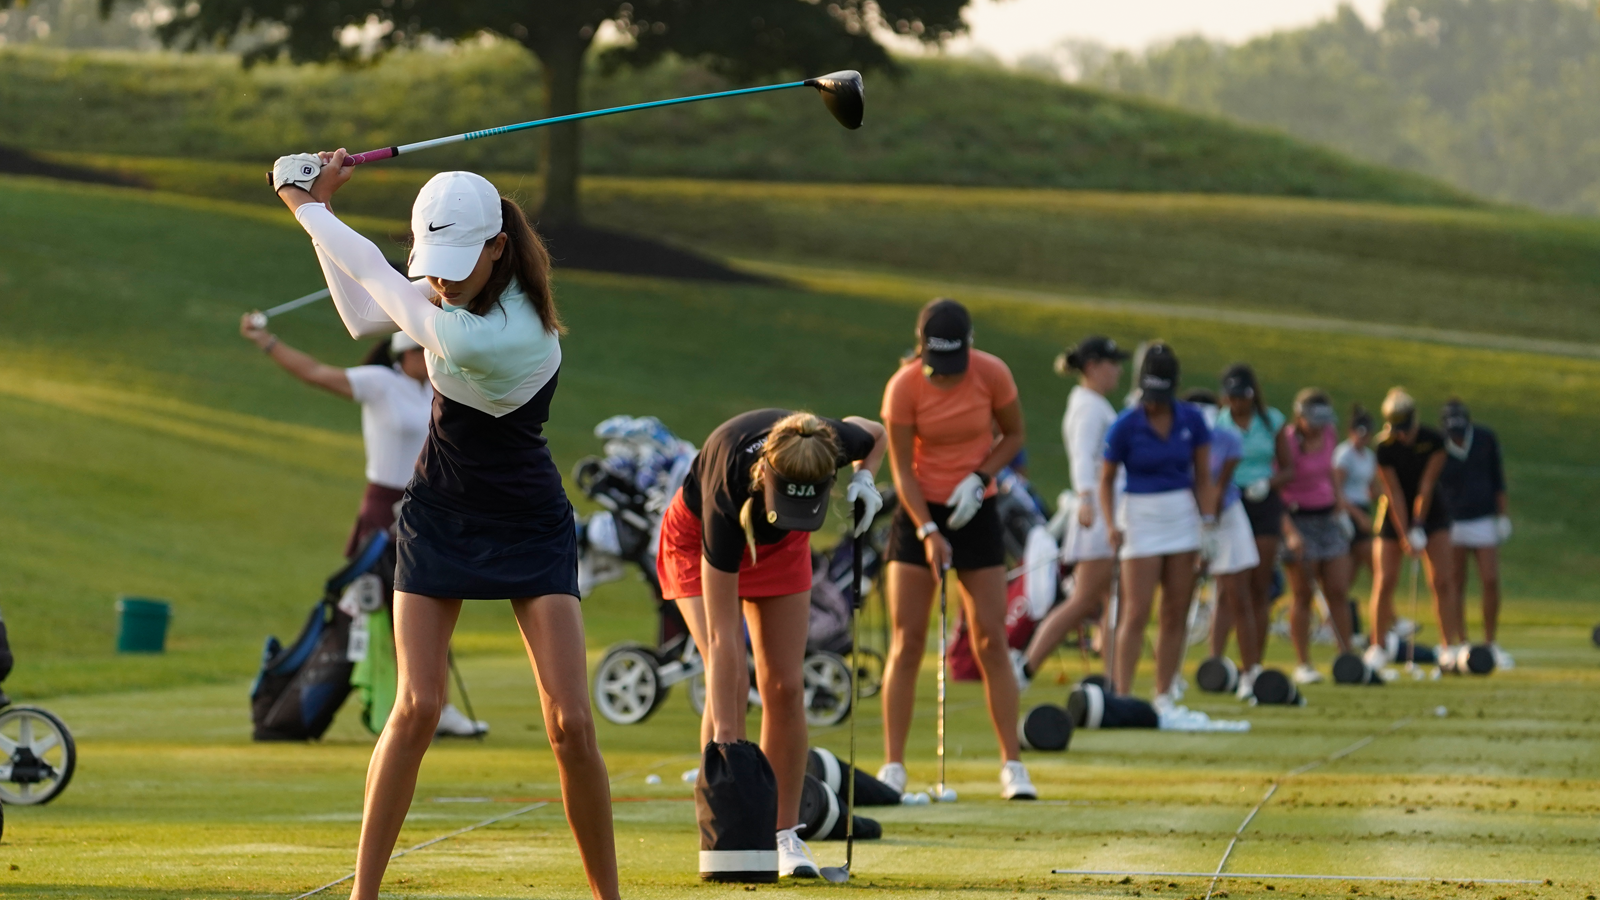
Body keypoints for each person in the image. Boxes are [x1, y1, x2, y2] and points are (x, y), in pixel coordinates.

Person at [270, 151, 618, 900]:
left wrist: (306, 205)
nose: (444, 280)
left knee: (571, 723)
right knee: (418, 705)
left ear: (497, 247)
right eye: (435, 265)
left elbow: (375, 277)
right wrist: (319, 213)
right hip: (440, 512)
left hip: (529, 519)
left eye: (458, 265)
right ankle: (363, 895)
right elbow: (364, 310)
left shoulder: (505, 332)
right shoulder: (448, 292)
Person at [657, 409, 884, 877]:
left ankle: (784, 834)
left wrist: (866, 479)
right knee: (730, 676)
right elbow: (723, 637)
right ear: (765, 476)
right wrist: (731, 759)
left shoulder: (828, 443)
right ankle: (727, 819)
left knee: (784, 685)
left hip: (783, 546)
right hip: (699, 538)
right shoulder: (727, 486)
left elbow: (876, 434)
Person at [878, 298, 1035, 801]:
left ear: (969, 345)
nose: (945, 374)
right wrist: (927, 530)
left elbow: (1014, 433)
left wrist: (981, 475)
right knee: (907, 641)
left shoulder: (992, 374)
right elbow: (901, 469)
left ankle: (1013, 765)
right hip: (918, 509)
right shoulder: (903, 386)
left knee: (991, 638)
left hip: (976, 508)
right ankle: (893, 767)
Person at [237, 321, 431, 555]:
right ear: (409, 352)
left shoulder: (436, 388)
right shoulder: (380, 381)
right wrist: (265, 341)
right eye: (427, 351)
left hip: (426, 506)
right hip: (385, 505)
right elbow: (314, 372)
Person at [1100, 343, 1215, 709]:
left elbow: (1203, 477)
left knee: (1176, 609)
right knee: (1136, 610)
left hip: (1181, 515)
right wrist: (1110, 523)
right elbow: (1106, 480)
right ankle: (1122, 693)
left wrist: (1208, 525)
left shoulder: (1192, 420)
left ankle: (1164, 693)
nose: (1153, 404)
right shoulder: (1126, 424)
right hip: (1140, 516)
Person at [1012, 336, 1130, 688]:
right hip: (1097, 514)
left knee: (1110, 601)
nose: (1118, 371)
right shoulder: (1089, 407)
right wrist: (1086, 498)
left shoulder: (1094, 403)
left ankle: (1114, 681)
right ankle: (1026, 668)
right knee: (1084, 599)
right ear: (1092, 366)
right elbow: (1082, 456)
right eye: (1112, 363)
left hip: (1104, 510)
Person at [1366, 387, 1457, 671]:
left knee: (1441, 580)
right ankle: (1378, 646)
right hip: (1393, 513)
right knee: (1385, 580)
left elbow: (1426, 487)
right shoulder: (1383, 447)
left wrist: (1418, 525)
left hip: (1432, 512)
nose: (1402, 436)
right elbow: (1393, 492)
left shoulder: (1434, 441)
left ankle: (1449, 647)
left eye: (1406, 429)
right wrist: (1405, 534)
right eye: (1397, 430)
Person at [1183, 389, 1261, 699]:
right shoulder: (1179, 439)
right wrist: (1201, 528)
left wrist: (1209, 528)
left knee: (1236, 595)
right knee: (1179, 598)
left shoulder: (1228, 439)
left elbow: (1216, 487)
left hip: (1227, 516)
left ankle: (1251, 674)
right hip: (1188, 517)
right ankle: (1182, 675)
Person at [1212, 363, 1290, 664]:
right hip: (1229, 503)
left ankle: (1253, 664)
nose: (1237, 403)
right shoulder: (1217, 422)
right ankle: (1215, 664)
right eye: (1232, 396)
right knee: (1227, 588)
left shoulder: (1271, 421)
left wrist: (1268, 483)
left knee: (1259, 586)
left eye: (1242, 396)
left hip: (1263, 503)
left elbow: (1289, 469)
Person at [1278, 389, 1356, 683]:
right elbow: (1277, 490)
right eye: (1314, 421)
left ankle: (1346, 658)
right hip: (1297, 520)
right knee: (1303, 594)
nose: (1319, 427)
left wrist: (1339, 504)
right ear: (1299, 417)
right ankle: (1304, 664)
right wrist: (1289, 532)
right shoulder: (1286, 441)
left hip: (1328, 518)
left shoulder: (1329, 434)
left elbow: (1330, 473)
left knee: (1338, 589)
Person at [1437, 399, 1513, 669]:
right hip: (1452, 521)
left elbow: (1497, 478)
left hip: (1483, 519)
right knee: (1456, 581)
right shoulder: (1439, 445)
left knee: (1490, 579)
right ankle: (1462, 642)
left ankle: (1490, 642)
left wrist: (1503, 515)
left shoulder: (1484, 439)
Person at [1334, 405, 1379, 618]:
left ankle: (1330, 620)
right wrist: (1358, 516)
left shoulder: (1368, 456)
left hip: (1363, 509)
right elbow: (1337, 490)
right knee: (1375, 565)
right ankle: (1391, 618)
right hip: (1347, 513)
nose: (1362, 438)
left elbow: (1372, 487)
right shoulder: (1344, 455)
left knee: (1350, 573)